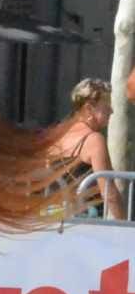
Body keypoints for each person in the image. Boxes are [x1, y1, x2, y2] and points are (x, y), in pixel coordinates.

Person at [47, 78, 123, 220]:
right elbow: (109, 193)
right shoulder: (94, 140)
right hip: (86, 222)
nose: (112, 111)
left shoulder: (57, 134)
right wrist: (126, 230)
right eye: (106, 106)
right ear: (89, 109)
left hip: (54, 218)